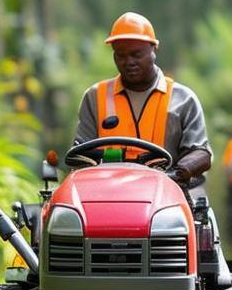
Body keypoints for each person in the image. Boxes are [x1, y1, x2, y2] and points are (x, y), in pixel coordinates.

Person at [72, 12, 213, 185]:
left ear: (154, 49)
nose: (128, 62)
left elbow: (201, 153)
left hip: (168, 197)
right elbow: (80, 155)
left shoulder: (183, 100)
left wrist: (178, 172)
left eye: (136, 54)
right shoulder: (95, 97)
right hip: (108, 195)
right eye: (120, 55)